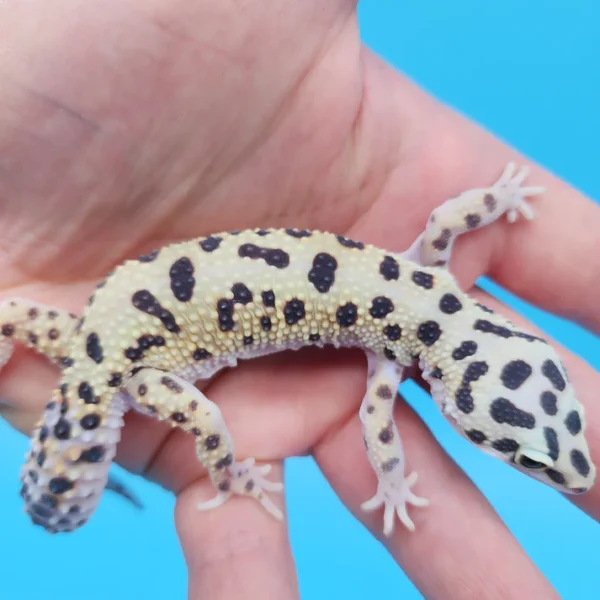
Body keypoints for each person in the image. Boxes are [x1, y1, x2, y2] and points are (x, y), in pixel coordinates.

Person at [0, 2, 598, 598]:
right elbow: (377, 427)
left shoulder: (432, 276)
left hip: (112, 316)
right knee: (209, 421)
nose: (558, 472)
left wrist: (497, 197)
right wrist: (379, 484)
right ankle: (228, 476)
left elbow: (449, 219)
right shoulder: (402, 349)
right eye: (527, 459)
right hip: (136, 354)